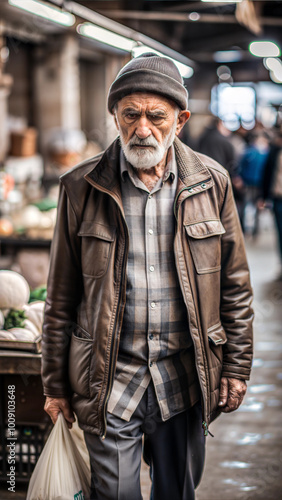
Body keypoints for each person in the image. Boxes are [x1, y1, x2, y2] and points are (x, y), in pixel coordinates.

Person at [42, 53, 254, 500]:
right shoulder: (81, 187)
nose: (142, 129)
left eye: (156, 117)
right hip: (109, 380)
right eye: (130, 115)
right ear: (114, 117)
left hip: (184, 379)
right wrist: (55, 385)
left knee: (177, 492)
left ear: (180, 121)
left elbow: (234, 286)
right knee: (114, 494)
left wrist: (235, 367)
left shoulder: (210, 183)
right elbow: (60, 296)